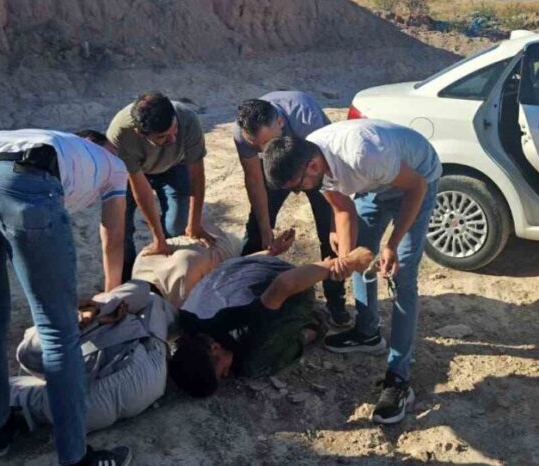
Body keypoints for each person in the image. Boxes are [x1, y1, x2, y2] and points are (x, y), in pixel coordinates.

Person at [0, 129, 132, 465]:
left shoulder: (54, 141)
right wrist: (110, 295)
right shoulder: (113, 163)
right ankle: (75, 457)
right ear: (103, 146)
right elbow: (113, 234)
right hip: (25, 181)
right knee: (58, 329)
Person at [262, 119, 441, 425]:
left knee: (402, 276)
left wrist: (393, 244)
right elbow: (343, 209)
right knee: (360, 257)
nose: (297, 194)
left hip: (416, 178)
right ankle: (368, 333)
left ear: (314, 166)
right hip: (375, 183)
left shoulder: (363, 154)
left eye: (297, 186)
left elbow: (416, 187)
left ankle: (399, 378)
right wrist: (345, 259)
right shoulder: (313, 156)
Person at [168, 248, 375, 397]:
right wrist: (269, 251)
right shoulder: (187, 319)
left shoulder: (249, 329)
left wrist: (345, 262)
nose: (226, 374)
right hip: (246, 266)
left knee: (254, 363)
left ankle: (314, 326)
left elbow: (285, 284)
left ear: (214, 347)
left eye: (221, 372)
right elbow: (225, 270)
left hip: (289, 280)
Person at [233, 93, 349, 326]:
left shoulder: (308, 121)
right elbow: (255, 180)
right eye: (258, 147)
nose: (263, 150)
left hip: (318, 170)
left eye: (267, 143)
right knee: (256, 230)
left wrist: (336, 225)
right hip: (278, 171)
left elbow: (332, 174)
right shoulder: (242, 133)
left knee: (330, 236)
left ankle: (336, 305)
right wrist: (266, 228)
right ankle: (242, 297)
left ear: (281, 123)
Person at [11, 280, 173, 435]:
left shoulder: (41, 334)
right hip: (146, 380)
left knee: (11, 389)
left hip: (83, 409)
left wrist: (90, 320)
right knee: (153, 301)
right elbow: (142, 289)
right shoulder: (107, 308)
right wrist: (95, 313)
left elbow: (28, 356)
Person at [106, 92, 213, 283]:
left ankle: (167, 278)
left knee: (177, 226)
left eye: (174, 129)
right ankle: (129, 281)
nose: (172, 139)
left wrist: (194, 224)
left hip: (174, 166)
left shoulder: (188, 119)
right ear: (140, 133)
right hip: (132, 173)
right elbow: (142, 192)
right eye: (162, 137)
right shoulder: (120, 134)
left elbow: (196, 176)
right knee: (121, 229)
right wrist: (158, 238)